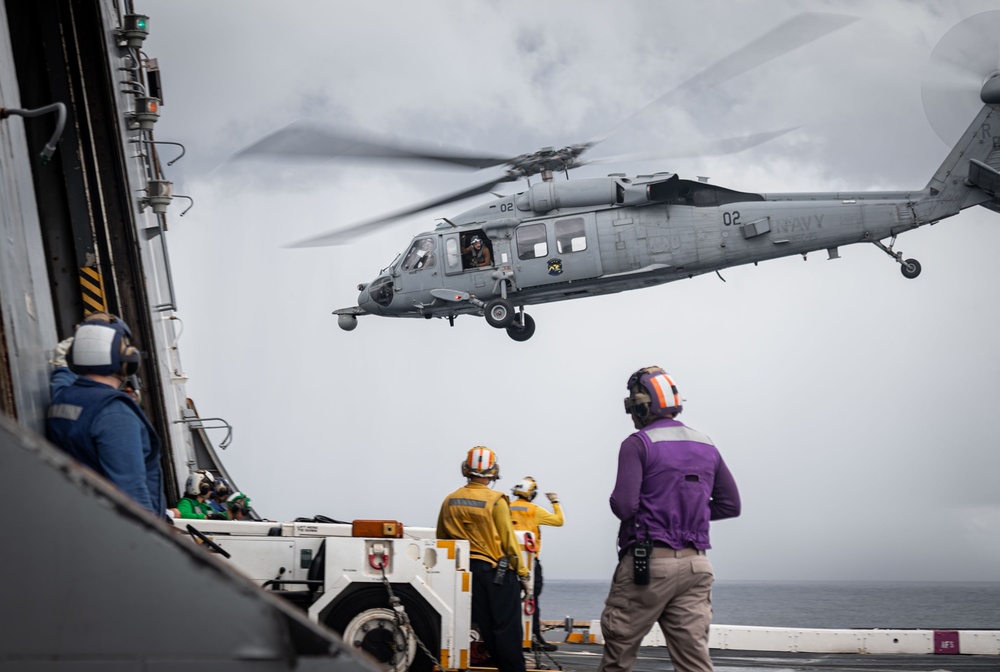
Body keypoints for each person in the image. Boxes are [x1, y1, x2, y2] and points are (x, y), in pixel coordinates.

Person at [598, 367, 741, 672]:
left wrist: (658, 513)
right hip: (696, 567)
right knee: (694, 663)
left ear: (642, 406)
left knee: (618, 659)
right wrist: (689, 511)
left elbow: (624, 506)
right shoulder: (706, 444)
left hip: (648, 566)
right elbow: (730, 505)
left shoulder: (637, 444)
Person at [46, 312, 169, 519]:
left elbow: (62, 378)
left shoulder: (63, 395)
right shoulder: (116, 415)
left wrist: (65, 365)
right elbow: (132, 495)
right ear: (126, 359)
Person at [437, 446, 528, 672]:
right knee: (507, 628)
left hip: (467, 573)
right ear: (493, 471)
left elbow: (442, 538)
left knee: (486, 627)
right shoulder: (496, 500)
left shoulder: (450, 500)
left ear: (465, 469)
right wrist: (523, 574)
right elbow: (509, 541)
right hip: (497, 572)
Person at [509, 476, 564, 651]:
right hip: (530, 561)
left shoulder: (506, 507)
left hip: (508, 560)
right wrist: (555, 502)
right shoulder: (533, 510)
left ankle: (512, 638)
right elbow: (558, 521)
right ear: (531, 494)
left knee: (508, 600)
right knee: (532, 599)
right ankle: (534, 638)